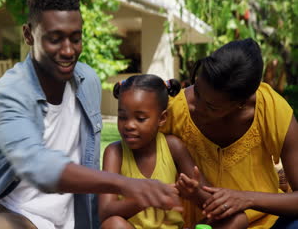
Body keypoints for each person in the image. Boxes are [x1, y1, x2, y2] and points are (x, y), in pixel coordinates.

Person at [0, 0, 181, 229]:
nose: (69, 50)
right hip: (16, 215)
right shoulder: (8, 94)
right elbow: (39, 167)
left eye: (76, 38)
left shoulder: (87, 80)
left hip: (75, 220)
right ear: (29, 34)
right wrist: (123, 183)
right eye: (55, 39)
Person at [160, 38, 298, 228]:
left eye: (211, 106)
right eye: (197, 90)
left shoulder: (271, 110)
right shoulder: (173, 110)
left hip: (264, 221)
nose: (195, 106)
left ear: (240, 103)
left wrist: (246, 199)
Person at [99, 74, 247, 229]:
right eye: (122, 117)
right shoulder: (114, 153)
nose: (129, 125)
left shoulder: (172, 146)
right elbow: (105, 212)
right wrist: (148, 199)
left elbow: (210, 202)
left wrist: (194, 193)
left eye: (140, 119)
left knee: (236, 218)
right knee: (113, 224)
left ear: (162, 118)